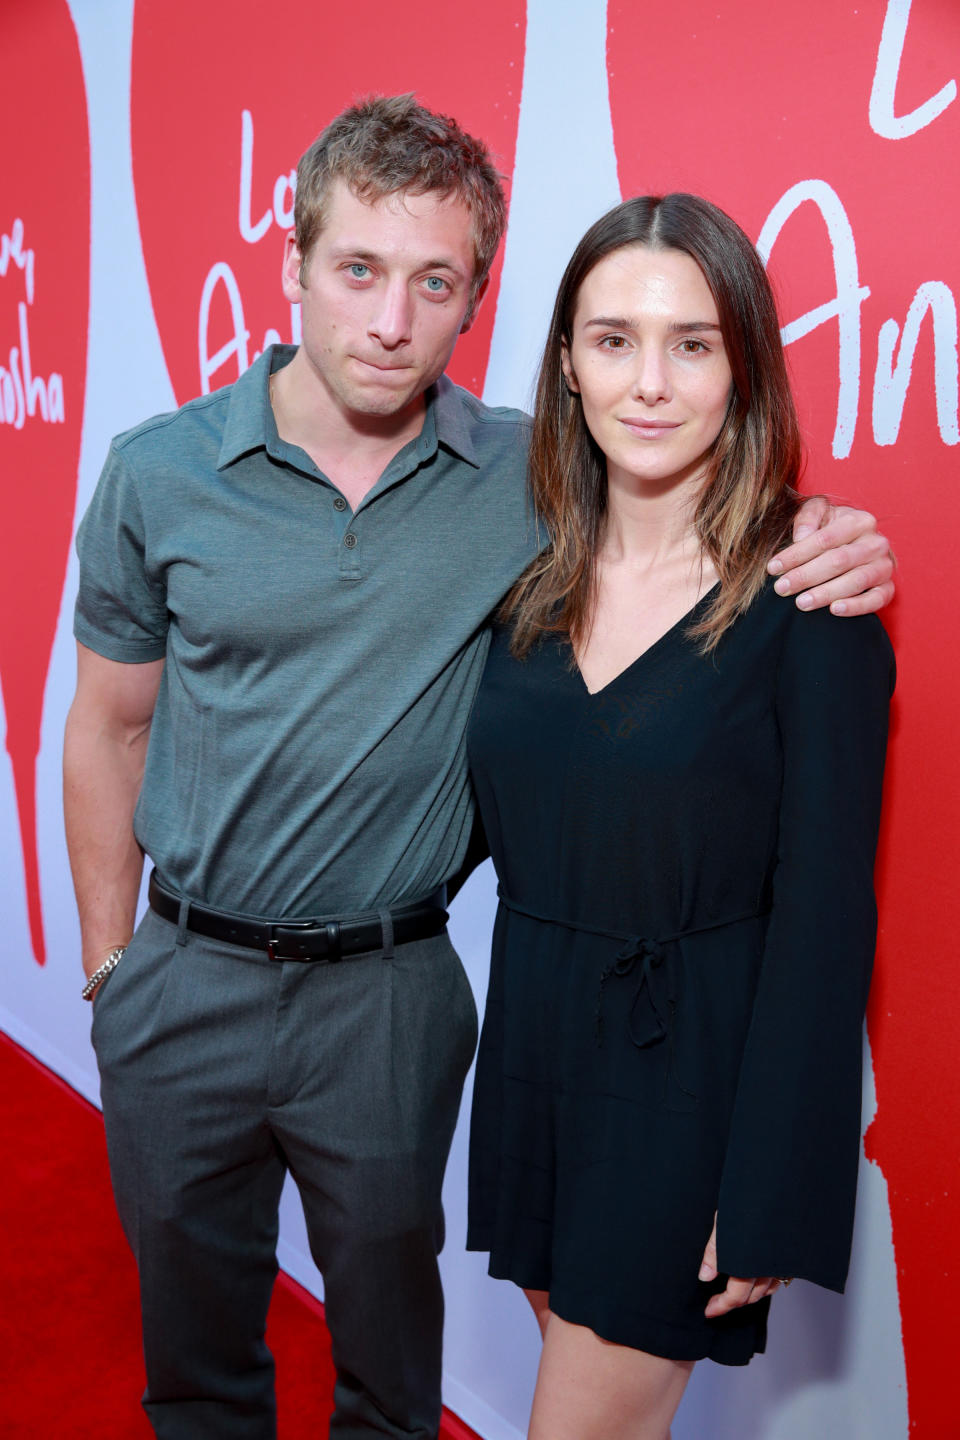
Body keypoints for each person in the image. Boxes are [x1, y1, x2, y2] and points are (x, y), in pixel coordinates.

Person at [63, 96, 894, 1440]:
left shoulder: (606, 514)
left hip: (471, 1026)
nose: (392, 320)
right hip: (405, 1028)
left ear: (479, 304)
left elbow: (820, 901)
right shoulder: (198, 480)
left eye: (434, 281)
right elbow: (106, 724)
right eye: (359, 271)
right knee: (202, 1371)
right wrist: (112, 973)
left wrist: (838, 533)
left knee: (419, 1390)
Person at [465, 193, 894, 1440]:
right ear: (564, 363)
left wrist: (770, 1187)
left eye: (692, 343)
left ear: (743, 365)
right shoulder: (529, 580)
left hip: (686, 1094)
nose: (649, 383)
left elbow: (824, 923)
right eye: (613, 340)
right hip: (536, 1058)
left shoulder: (809, 604)